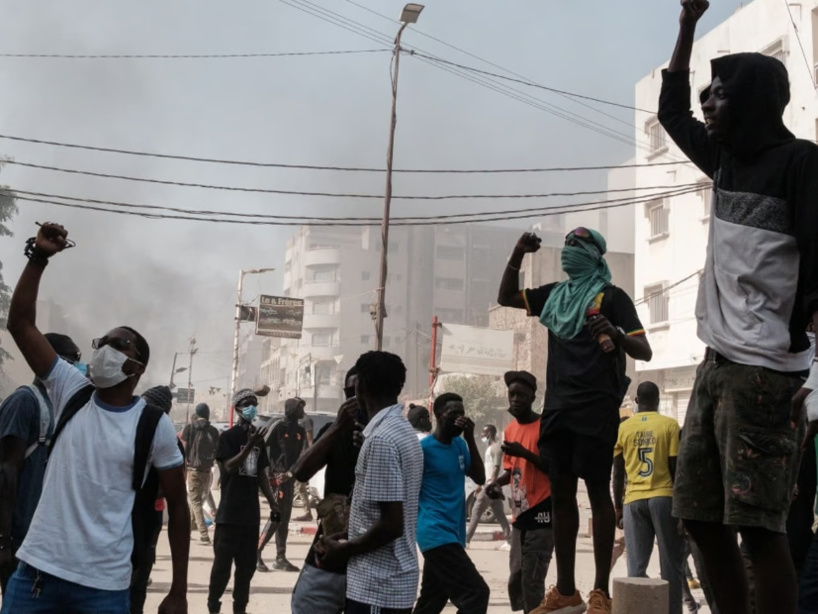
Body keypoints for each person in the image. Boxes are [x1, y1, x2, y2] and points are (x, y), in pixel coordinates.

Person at [660, 3, 818, 613]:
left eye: (719, 95)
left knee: (760, 528)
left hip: (767, 373)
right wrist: (686, 24)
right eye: (707, 93)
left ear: (751, 100)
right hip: (716, 365)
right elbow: (670, 110)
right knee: (698, 517)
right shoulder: (724, 161)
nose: (707, 105)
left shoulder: (800, 164)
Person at [0, 222, 189, 614]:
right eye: (101, 343)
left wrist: (179, 591)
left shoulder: (153, 425)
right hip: (35, 575)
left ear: (138, 367)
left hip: (102, 589)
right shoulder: (71, 390)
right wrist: (38, 257)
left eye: (117, 345)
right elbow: (19, 324)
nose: (104, 349)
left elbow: (179, 506)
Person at [498, 230, 651, 614]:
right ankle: (566, 590)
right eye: (565, 248)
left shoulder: (612, 297)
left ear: (594, 255)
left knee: (598, 493)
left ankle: (600, 591)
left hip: (597, 408)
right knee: (562, 496)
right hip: (559, 409)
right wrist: (517, 252)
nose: (568, 255)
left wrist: (615, 334)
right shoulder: (556, 296)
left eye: (576, 249)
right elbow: (506, 297)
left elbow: (643, 349)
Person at [315, 351, 423, 614]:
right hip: (386, 583)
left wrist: (345, 550)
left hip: (378, 586)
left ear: (361, 386)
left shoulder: (381, 440)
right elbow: (381, 514)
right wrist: (346, 536)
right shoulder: (401, 430)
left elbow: (391, 524)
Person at [0, 332, 82, 595]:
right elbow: (7, 471)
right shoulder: (24, 401)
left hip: (44, 541)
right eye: (69, 362)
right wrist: (3, 541)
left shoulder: (61, 406)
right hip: (18, 536)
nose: (74, 370)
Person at [290, 366, 368, 614]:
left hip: (370, 547)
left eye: (359, 391)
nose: (353, 398)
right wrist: (337, 427)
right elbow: (301, 471)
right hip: (333, 541)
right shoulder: (335, 431)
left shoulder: (387, 435)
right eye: (348, 392)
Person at [484, 371, 553, 614]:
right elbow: (513, 469)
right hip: (520, 515)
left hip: (543, 512)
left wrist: (524, 453)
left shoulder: (545, 426)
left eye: (521, 395)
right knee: (516, 577)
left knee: (532, 579)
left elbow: (554, 468)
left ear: (533, 397)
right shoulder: (511, 430)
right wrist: (496, 484)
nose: (515, 399)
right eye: (512, 394)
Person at [414, 392, 489, 614]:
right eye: (452, 413)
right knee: (476, 593)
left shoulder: (459, 445)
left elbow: (479, 477)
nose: (459, 418)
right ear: (438, 415)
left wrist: (470, 438)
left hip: (453, 533)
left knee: (432, 598)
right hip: (435, 532)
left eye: (462, 413)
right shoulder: (424, 449)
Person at [207, 389, 280, 614]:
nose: (253, 408)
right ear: (238, 409)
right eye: (248, 404)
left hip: (250, 517)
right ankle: (213, 606)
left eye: (255, 404)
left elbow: (261, 476)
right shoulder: (229, 438)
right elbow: (228, 466)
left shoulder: (259, 440)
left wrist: (273, 503)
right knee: (222, 568)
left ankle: (240, 608)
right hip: (229, 515)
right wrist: (249, 445)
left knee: (246, 569)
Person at [613, 382, 683, 614]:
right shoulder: (669, 425)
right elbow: (675, 468)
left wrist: (618, 508)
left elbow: (618, 472)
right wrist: (681, 508)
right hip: (664, 497)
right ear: (658, 399)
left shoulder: (624, 428)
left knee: (636, 566)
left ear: (636, 401)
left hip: (633, 500)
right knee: (671, 564)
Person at [131, 385, 181, 614]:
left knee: (138, 577)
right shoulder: (130, 429)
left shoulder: (168, 439)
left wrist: (143, 491)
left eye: (146, 403)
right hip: (129, 515)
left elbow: (172, 489)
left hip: (147, 516)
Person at [257, 397, 307, 573]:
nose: (303, 411)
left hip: (289, 479)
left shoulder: (300, 430)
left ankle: (280, 557)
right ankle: (257, 553)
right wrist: (269, 472)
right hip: (277, 480)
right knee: (276, 518)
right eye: (300, 407)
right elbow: (261, 447)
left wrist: (291, 473)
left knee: (284, 520)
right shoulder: (278, 427)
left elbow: (301, 455)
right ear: (293, 409)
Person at [466, 425, 512, 546]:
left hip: (490, 487)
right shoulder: (490, 448)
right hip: (489, 485)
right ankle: (510, 540)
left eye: (484, 432)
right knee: (500, 514)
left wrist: (491, 485)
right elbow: (488, 469)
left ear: (490, 433)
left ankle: (466, 540)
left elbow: (496, 468)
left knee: (475, 511)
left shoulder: (496, 448)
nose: (482, 435)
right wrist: (480, 485)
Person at [182, 402, 220, 544]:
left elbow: (184, 450)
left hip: (193, 470)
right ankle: (190, 528)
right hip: (208, 471)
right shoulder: (214, 431)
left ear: (197, 414)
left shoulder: (190, 428)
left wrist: (184, 468)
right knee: (198, 498)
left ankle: (204, 534)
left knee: (195, 501)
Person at [294, 397, 315, 523]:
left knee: (300, 486)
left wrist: (308, 456)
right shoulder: (295, 420)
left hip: (300, 457)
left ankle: (307, 513)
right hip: (293, 457)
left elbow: (310, 440)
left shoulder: (305, 420)